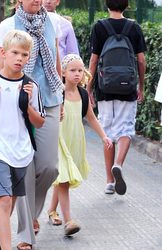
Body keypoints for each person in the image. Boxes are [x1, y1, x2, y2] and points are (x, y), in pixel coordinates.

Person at [0, 1, 63, 249]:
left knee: (49, 167)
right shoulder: (7, 25)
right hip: (17, 102)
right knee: (24, 169)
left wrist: (62, 97)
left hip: (50, 99)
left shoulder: (53, 22)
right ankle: (25, 235)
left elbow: (55, 59)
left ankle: (32, 212)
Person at [0, 29, 45, 250]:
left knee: (11, 199)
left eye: (24, 54)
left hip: (21, 151)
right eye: (15, 53)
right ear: (3, 52)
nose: (20, 58)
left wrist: (28, 103)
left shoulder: (31, 85)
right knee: (3, 199)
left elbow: (40, 122)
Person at [47, 54, 112, 236]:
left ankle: (52, 211)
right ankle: (69, 221)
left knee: (62, 179)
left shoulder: (83, 94)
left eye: (80, 70)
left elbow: (91, 117)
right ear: (64, 73)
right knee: (65, 179)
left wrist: (104, 137)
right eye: (73, 70)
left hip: (75, 139)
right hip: (59, 139)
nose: (77, 74)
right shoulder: (57, 92)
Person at [87, 0, 146, 195]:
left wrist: (88, 88)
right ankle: (118, 164)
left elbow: (94, 60)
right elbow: (141, 60)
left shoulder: (99, 27)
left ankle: (109, 182)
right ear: (126, 5)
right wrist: (141, 86)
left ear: (106, 5)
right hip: (127, 86)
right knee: (125, 129)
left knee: (107, 131)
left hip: (105, 86)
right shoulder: (134, 27)